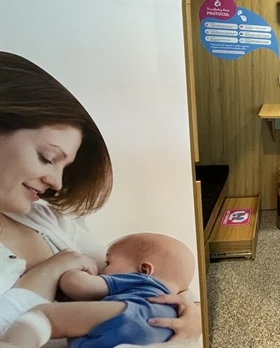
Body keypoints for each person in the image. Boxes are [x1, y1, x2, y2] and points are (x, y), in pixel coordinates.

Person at [0, 51, 201, 343]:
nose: (56, 182)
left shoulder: (45, 218)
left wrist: (191, 312)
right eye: (47, 157)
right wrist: (50, 271)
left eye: (63, 167)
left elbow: (151, 277)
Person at [1, 233, 195, 348]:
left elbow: (76, 286)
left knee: (46, 315)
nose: (103, 269)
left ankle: (12, 345)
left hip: (132, 313)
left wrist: (75, 273)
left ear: (144, 269)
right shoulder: (174, 305)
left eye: (108, 262)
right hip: (161, 333)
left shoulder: (140, 281)